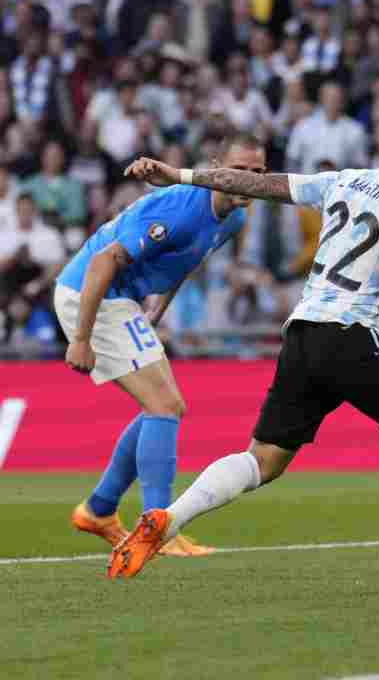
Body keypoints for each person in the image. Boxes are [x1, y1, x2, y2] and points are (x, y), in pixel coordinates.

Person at [109, 98, 379, 581]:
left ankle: (169, 519)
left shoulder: (343, 180)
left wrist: (181, 174)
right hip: (351, 336)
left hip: (302, 336)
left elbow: (258, 185)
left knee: (264, 460)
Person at [54, 133, 265, 558]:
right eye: (238, 170)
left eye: (257, 173)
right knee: (165, 407)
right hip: (90, 294)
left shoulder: (233, 218)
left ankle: (100, 509)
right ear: (213, 167)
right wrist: (80, 337)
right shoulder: (181, 209)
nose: (248, 181)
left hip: (122, 300)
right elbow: (102, 262)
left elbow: (187, 262)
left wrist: (158, 309)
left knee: (163, 407)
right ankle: (156, 525)